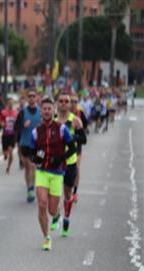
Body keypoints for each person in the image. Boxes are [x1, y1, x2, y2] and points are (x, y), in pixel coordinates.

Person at [29, 96, 76, 251]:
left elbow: (72, 148)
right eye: (44, 109)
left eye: (49, 108)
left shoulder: (62, 129)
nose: (47, 111)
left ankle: (56, 216)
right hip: (42, 172)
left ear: (53, 110)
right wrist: (35, 157)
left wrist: (60, 158)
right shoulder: (36, 132)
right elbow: (31, 152)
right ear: (41, 111)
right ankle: (46, 237)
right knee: (42, 204)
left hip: (57, 173)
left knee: (52, 209)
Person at [52, 92, 85, 237]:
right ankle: (56, 215)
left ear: (70, 104)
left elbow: (83, 139)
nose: (64, 103)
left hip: (70, 162)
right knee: (53, 193)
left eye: (67, 101)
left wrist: (73, 137)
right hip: (55, 162)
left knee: (67, 194)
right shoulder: (52, 120)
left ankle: (66, 218)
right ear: (57, 103)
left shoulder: (75, 120)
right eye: (61, 101)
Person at [15, 89, 41, 202]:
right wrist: (23, 125)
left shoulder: (41, 111)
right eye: (29, 96)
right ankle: (29, 187)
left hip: (37, 144)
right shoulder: (22, 112)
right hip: (24, 143)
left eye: (33, 96)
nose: (31, 98)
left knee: (32, 166)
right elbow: (16, 127)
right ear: (27, 98)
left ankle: (31, 188)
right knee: (27, 167)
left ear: (36, 98)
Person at [0, 97, 18, 174]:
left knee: (11, 151)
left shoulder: (16, 113)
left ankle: (8, 167)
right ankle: (5, 154)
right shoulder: (3, 112)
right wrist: (2, 124)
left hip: (12, 135)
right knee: (5, 153)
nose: (11, 104)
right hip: (5, 135)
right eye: (9, 103)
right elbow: (0, 122)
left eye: (12, 102)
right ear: (7, 103)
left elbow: (18, 123)